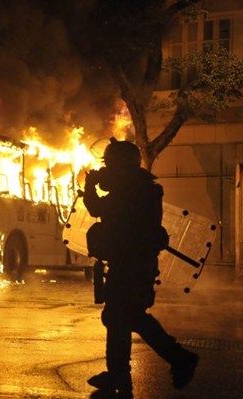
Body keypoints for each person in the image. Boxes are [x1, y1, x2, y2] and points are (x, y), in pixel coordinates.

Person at [83, 138, 198, 398]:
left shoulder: (130, 191)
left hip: (130, 265)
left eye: (110, 163)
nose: (106, 169)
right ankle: (122, 372)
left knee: (121, 317)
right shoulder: (139, 187)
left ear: (121, 165)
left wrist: (90, 186)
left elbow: (96, 208)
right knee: (125, 318)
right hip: (135, 263)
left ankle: (176, 359)